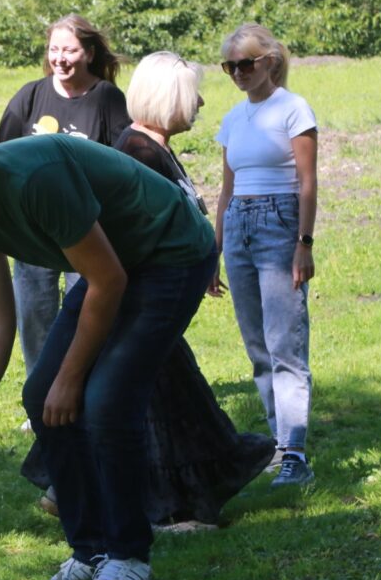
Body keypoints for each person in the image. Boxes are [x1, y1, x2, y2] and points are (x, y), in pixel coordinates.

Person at [0, 100, 216, 580]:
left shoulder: (35, 177)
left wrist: (72, 376)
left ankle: (129, 558)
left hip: (171, 251)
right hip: (115, 263)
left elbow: (108, 281)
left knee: (106, 401)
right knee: (41, 395)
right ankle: (91, 552)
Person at [113, 52, 276, 529]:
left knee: (181, 400)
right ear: (169, 100)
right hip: (145, 305)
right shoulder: (138, 154)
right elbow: (135, 236)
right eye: (192, 96)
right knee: (165, 409)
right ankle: (170, 509)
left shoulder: (155, 147)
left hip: (162, 304)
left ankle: (182, 496)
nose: (201, 102)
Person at [211, 23, 319, 486]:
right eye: (230, 66)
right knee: (257, 345)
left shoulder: (293, 109)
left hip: (279, 224)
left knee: (285, 344)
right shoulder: (234, 118)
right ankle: (279, 445)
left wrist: (304, 243)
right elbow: (225, 190)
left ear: (269, 62)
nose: (238, 73)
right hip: (239, 227)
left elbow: (308, 183)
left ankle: (295, 452)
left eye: (246, 64)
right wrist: (213, 252)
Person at [0, 13, 129, 373]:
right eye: (54, 50)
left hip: (88, 230)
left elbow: (127, 162)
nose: (60, 59)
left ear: (87, 52)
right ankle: (40, 393)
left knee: (83, 314)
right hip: (34, 229)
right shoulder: (30, 96)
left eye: (69, 50)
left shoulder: (107, 99)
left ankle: (82, 388)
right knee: (35, 317)